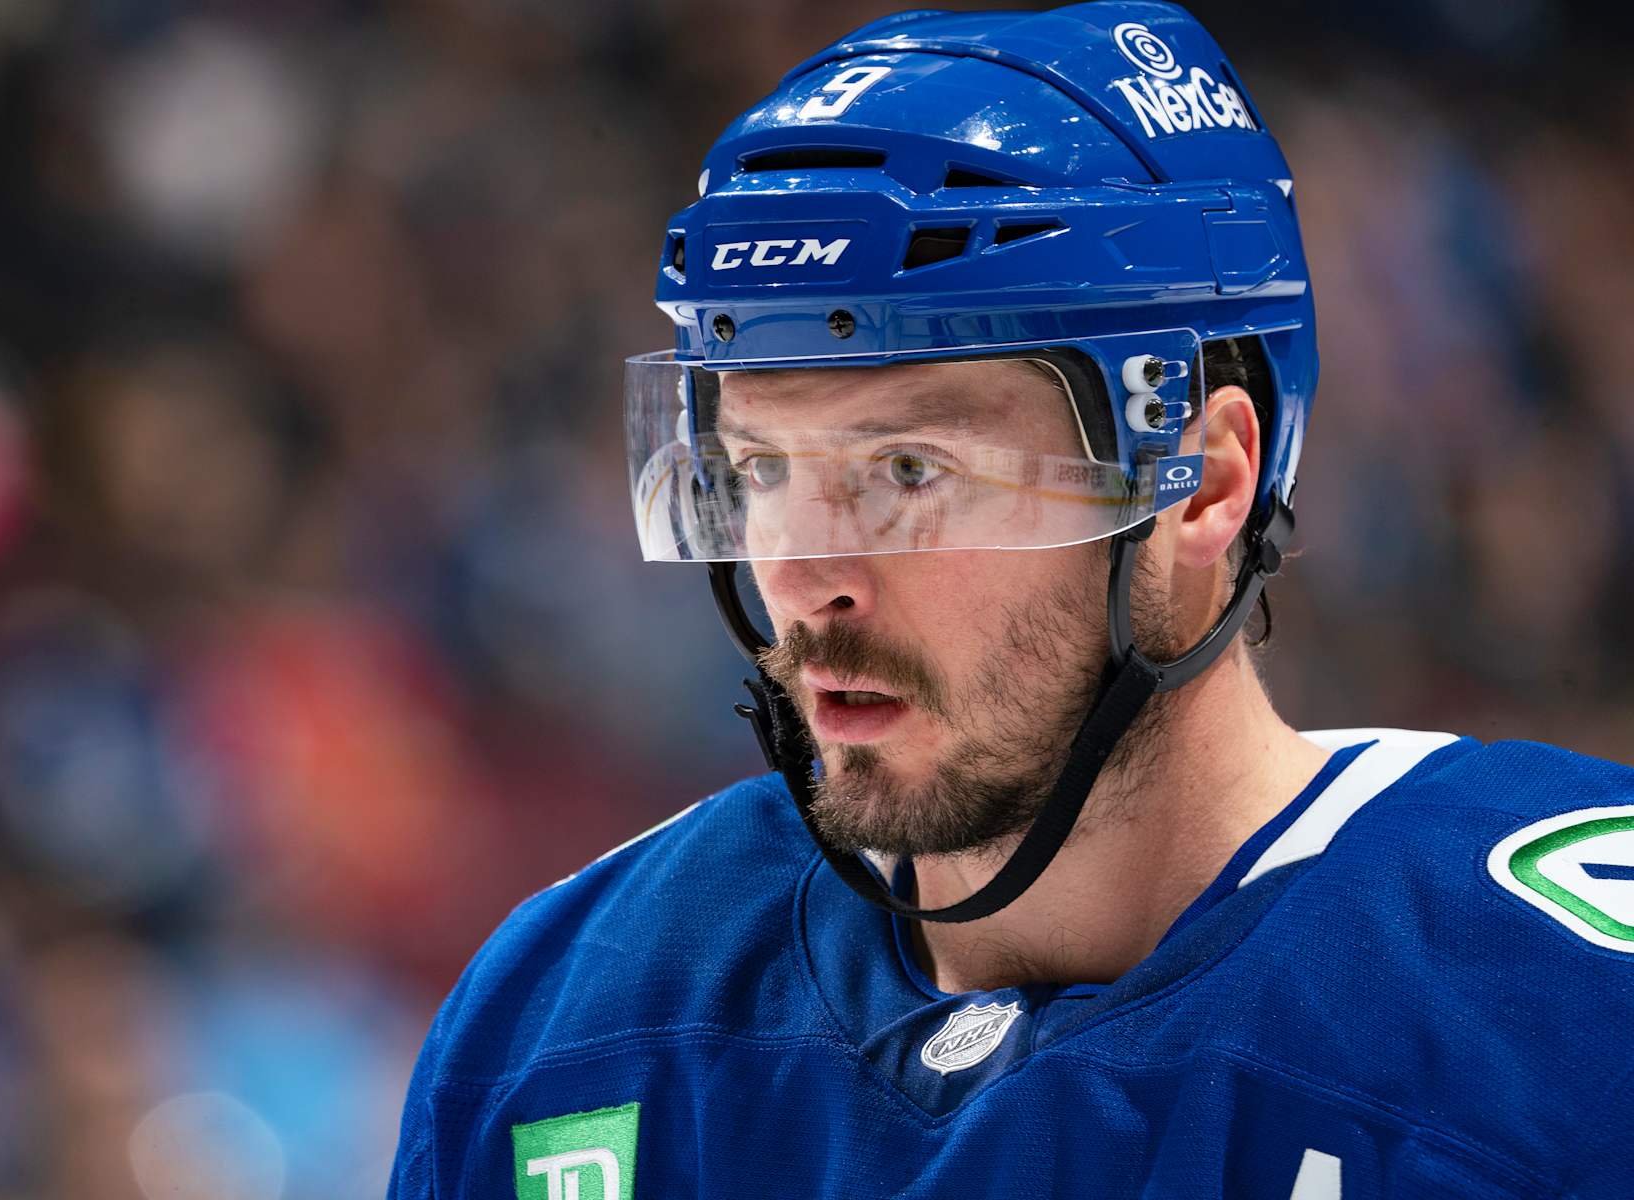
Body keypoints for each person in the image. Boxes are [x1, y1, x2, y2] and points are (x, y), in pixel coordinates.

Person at [388, 4, 1634, 1196]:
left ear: (1201, 487)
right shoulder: (569, 1014)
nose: (810, 578)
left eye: (911, 472)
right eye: (764, 469)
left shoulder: (1556, 1019)